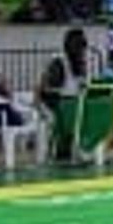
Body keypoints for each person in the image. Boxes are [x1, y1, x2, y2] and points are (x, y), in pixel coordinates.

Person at [37, 28, 89, 164]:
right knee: (69, 112)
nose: (83, 52)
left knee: (85, 110)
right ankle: (62, 151)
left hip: (72, 103)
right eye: (81, 47)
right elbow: (47, 89)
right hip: (52, 104)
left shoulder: (81, 63)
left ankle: (78, 148)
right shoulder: (58, 61)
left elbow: (81, 85)